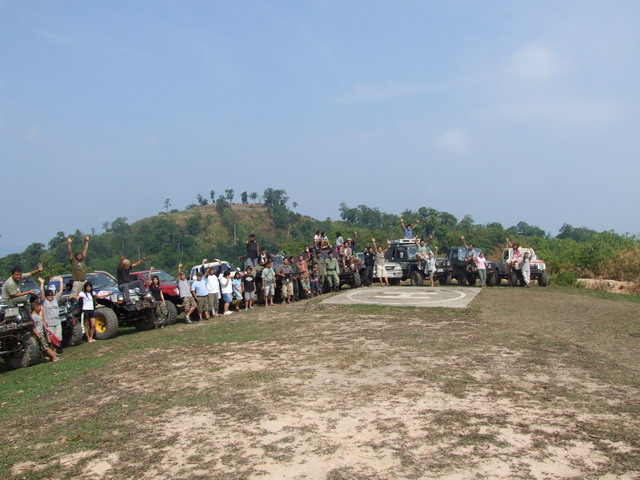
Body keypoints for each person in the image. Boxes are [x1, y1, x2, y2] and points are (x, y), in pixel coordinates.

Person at [30, 296, 60, 362]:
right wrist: (38, 335)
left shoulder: (37, 315)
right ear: (35, 308)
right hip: (39, 333)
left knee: (45, 345)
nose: (41, 308)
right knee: (45, 347)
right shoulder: (33, 317)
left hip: (42, 332)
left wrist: (45, 328)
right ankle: (54, 357)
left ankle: (50, 357)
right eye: (39, 306)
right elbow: (33, 328)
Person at [39, 277, 64, 351]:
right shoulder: (44, 301)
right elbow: (41, 292)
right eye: (48, 295)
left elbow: (61, 291)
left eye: (51, 295)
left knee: (58, 337)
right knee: (51, 339)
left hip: (57, 322)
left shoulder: (55, 299)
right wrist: (42, 283)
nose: (50, 296)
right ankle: (53, 351)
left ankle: (55, 350)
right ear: (46, 296)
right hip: (49, 323)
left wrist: (61, 282)